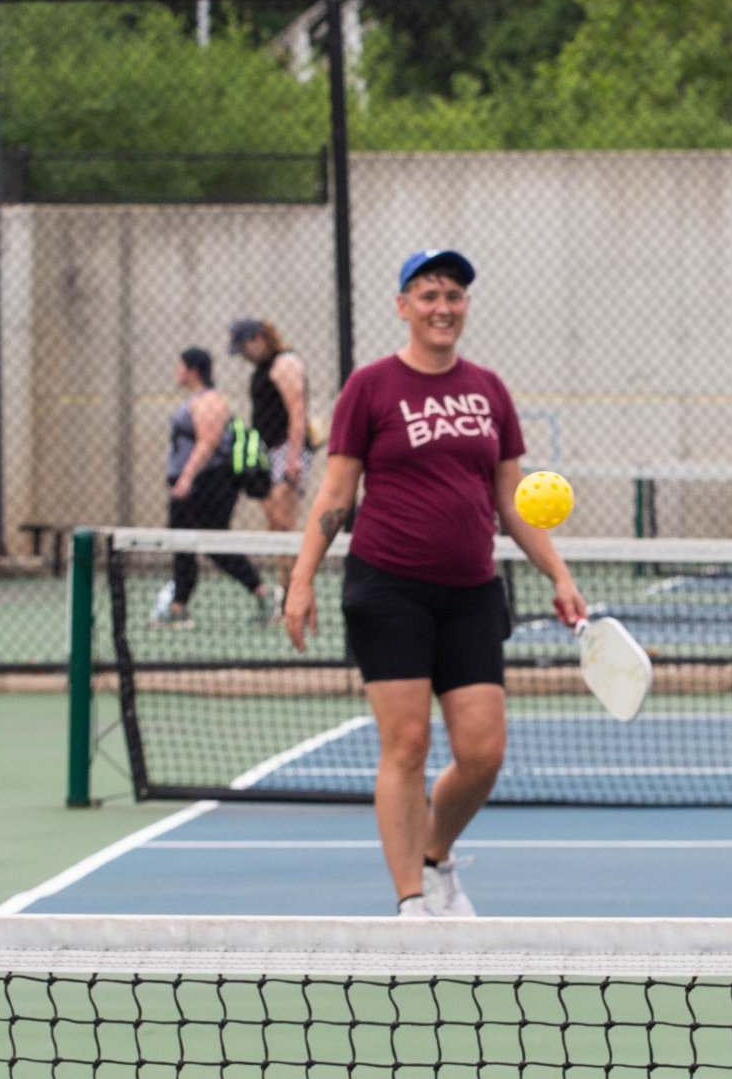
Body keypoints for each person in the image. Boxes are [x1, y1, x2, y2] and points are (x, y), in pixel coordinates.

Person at [283, 249, 587, 917]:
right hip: (388, 588)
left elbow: (511, 501)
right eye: (427, 295)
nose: (442, 307)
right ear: (403, 306)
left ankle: (434, 855)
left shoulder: (490, 390)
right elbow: (336, 490)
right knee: (408, 743)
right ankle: (412, 904)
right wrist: (300, 580)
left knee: (483, 752)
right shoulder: (371, 386)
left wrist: (559, 574)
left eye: (453, 295)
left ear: (465, 306)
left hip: (473, 591)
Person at [154, 346, 272, 627]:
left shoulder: (209, 401)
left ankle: (262, 594)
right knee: (185, 542)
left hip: (208, 483)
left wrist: (186, 478)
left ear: (193, 370)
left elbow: (207, 443)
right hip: (198, 483)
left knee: (210, 542)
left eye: (180, 365)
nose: (176, 371)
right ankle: (179, 605)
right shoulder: (196, 400)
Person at [230, 318, 320, 538]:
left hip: (286, 449)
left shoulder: (285, 364)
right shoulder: (262, 368)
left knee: (284, 522)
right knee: (274, 523)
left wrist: (293, 457)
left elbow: (297, 412)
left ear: (258, 338)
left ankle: (296, 573)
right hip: (266, 450)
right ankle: (285, 574)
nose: (243, 354)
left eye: (244, 347)